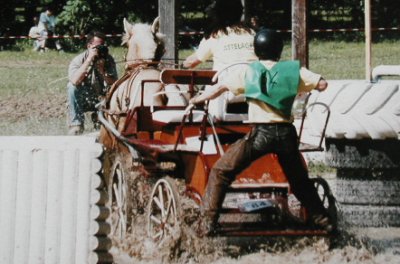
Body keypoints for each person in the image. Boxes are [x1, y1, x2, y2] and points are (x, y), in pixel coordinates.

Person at [189, 29, 332, 236]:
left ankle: (208, 224)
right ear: (279, 50)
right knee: (299, 181)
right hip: (287, 135)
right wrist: (295, 87)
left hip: (261, 135)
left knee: (221, 171)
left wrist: (196, 100)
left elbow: (218, 89)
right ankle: (324, 221)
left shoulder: (249, 71)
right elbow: (322, 84)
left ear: (257, 51)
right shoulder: (293, 70)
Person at [67, 30, 118, 135]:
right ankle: (76, 124)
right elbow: (74, 81)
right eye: (98, 47)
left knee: (115, 91)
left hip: (101, 99)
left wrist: (103, 71)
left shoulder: (108, 60)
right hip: (84, 98)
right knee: (71, 87)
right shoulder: (79, 60)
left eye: (103, 46)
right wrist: (89, 60)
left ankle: (100, 119)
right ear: (89, 46)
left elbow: (114, 83)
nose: (101, 49)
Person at [182, 0, 257, 71]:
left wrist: (182, 65)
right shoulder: (252, 33)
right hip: (252, 83)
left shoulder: (215, 36)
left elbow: (191, 62)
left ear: (218, 15)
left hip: (224, 83)